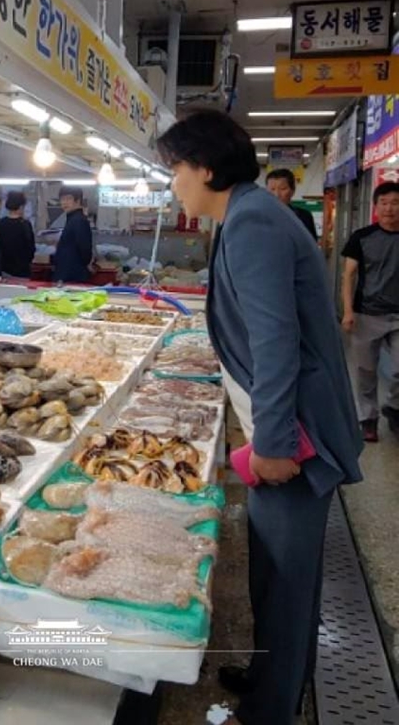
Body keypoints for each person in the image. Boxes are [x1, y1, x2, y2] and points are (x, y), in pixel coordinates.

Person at [158, 107, 362, 725]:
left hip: (296, 437)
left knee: (289, 580)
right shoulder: (243, 216)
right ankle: (272, 672)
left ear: (208, 168)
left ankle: (272, 709)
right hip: (281, 427)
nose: (173, 183)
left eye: (177, 170)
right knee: (271, 571)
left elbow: (276, 343)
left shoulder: (252, 224)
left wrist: (271, 443)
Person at [341, 180, 399, 442]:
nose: (390, 208)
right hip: (367, 313)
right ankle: (369, 418)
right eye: (384, 203)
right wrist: (348, 311)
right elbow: (348, 275)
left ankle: (394, 409)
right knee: (366, 370)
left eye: (395, 203)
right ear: (375, 206)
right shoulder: (362, 238)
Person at [52, 186, 93, 284]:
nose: (64, 203)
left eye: (68, 199)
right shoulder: (71, 219)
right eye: (62, 199)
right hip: (68, 274)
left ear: (78, 200)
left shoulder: (79, 220)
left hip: (73, 276)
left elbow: (85, 249)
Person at [265, 168, 318, 240]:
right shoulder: (258, 217)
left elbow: (311, 246)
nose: (277, 195)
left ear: (293, 190)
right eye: (272, 189)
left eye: (283, 188)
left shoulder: (304, 216)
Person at [0, 191, 35, 278]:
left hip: (4, 270)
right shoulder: (25, 224)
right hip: (22, 271)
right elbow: (31, 248)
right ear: (21, 207)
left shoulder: (1, 223)